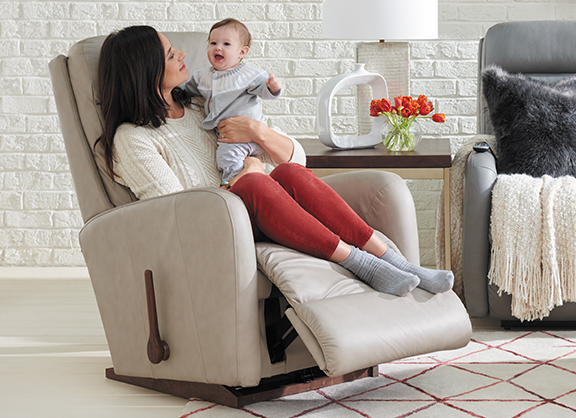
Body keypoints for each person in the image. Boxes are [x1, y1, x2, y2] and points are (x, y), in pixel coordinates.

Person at [95, 25, 453, 296]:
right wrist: (245, 176)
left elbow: (297, 159)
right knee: (255, 179)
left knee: (286, 173)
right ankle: (360, 263)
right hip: (211, 229)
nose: (184, 56)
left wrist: (257, 132)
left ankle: (395, 261)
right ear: (144, 70)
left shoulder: (201, 106)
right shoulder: (134, 138)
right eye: (172, 54)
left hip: (255, 205)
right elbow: (173, 212)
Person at [184, 18, 278, 185]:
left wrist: (273, 88)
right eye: (213, 43)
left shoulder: (248, 75)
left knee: (227, 155)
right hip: (229, 134)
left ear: (241, 52)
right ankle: (250, 177)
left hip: (248, 135)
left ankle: (233, 183)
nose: (218, 47)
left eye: (226, 44)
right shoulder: (202, 76)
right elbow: (186, 90)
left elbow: (264, 91)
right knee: (227, 153)